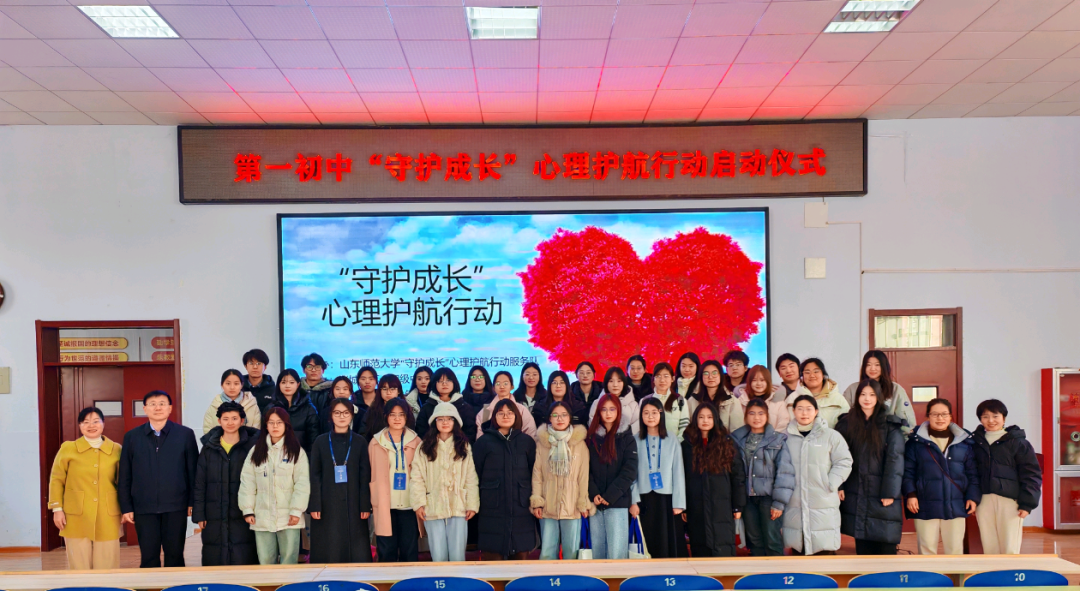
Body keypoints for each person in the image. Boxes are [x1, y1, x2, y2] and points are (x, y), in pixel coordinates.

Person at [118, 391, 198, 568]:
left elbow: (193, 471)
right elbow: (124, 474)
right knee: (148, 556)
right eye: (152, 404)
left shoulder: (185, 434)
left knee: (175, 555)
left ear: (170, 408)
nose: (157, 407)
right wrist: (126, 506)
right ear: (145, 409)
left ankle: (175, 584)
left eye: (162, 403)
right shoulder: (132, 437)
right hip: (143, 506)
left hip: (176, 505)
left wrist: (192, 501)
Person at [834, 379, 905, 555]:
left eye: (872, 395)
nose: (867, 399)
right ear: (857, 397)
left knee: (885, 545)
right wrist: (839, 485)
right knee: (863, 544)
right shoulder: (846, 423)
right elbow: (836, 457)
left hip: (882, 491)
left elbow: (895, 461)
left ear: (879, 397)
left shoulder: (890, 425)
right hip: (855, 489)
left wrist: (890, 492)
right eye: (863, 394)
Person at [48, 407, 123, 570]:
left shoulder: (116, 449)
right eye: (85, 422)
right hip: (75, 514)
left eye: (96, 421)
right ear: (80, 426)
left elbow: (124, 482)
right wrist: (57, 509)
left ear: (103, 424)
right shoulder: (68, 448)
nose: (91, 425)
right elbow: (56, 479)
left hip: (108, 513)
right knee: (79, 565)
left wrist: (127, 508)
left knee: (108, 564)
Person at [904, 398, 980, 555]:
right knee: (926, 548)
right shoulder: (915, 442)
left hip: (956, 502)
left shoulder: (964, 442)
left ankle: (954, 573)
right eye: (935, 414)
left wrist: (972, 497)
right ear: (928, 416)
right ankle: (928, 573)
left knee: (955, 549)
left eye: (944, 414)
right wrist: (911, 494)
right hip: (924, 503)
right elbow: (907, 471)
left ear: (951, 416)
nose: (940, 418)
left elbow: (973, 473)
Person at [239, 407, 310, 565]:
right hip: (262, 516)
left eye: (279, 422)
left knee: (289, 560)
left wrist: (296, 510)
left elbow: (302, 484)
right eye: (271, 423)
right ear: (266, 426)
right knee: (265, 560)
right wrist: (247, 509)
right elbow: (247, 482)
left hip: (289, 516)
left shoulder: (296, 451)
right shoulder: (256, 451)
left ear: (286, 425)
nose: (275, 426)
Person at [783, 395, 852, 556]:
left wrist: (831, 483)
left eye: (808, 409)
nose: (804, 413)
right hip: (794, 501)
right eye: (800, 409)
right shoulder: (784, 437)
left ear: (816, 411)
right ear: (793, 411)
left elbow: (844, 461)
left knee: (825, 554)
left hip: (823, 499)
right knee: (798, 550)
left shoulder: (831, 436)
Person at [411, 402, 480, 562]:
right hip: (432, 506)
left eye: (449, 419)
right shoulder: (424, 446)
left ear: (455, 422)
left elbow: (470, 477)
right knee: (438, 554)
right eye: (440, 419)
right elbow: (417, 477)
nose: (445, 422)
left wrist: (471, 504)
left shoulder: (463, 445)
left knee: (458, 555)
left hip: (458, 505)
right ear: (434, 422)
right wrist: (419, 503)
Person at [193, 401, 259, 566]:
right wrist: (199, 513)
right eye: (226, 419)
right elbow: (200, 483)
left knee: (243, 554)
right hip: (213, 511)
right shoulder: (209, 448)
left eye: (234, 418)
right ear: (219, 421)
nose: (230, 423)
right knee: (215, 556)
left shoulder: (252, 447)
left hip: (243, 510)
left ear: (242, 421)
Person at [972, 398, 1042, 555]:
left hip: (1010, 501)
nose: (991, 420)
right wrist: (972, 498)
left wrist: (1027, 503)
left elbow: (1031, 474)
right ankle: (992, 571)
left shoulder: (1018, 443)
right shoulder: (975, 442)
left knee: (1010, 546)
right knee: (989, 545)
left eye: (995, 416)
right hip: (983, 500)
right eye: (985, 416)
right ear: (980, 419)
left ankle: (1010, 572)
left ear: (1004, 418)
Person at [308, 398, 372, 563]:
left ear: (352, 415)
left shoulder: (360, 442)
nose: (341, 417)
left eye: (345, 413)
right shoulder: (320, 441)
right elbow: (314, 475)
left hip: (354, 502)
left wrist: (365, 504)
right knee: (330, 546)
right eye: (337, 413)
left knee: (356, 549)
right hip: (327, 502)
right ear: (331, 416)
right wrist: (315, 504)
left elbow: (365, 476)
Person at [473, 400, 538, 560]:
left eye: (510, 413)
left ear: (516, 416)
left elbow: (534, 473)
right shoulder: (483, 442)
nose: (505, 416)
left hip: (521, 507)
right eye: (501, 413)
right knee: (493, 562)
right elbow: (476, 474)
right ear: (494, 417)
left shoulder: (526, 441)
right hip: (492, 507)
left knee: (520, 563)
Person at [731, 399, 794, 556]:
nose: (756, 417)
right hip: (747, 499)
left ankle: (777, 571)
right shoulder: (737, 439)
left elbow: (785, 472)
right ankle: (758, 571)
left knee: (772, 540)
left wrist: (779, 503)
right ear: (746, 416)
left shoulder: (777, 440)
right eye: (752, 413)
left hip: (768, 498)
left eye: (761, 413)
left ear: (767, 416)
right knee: (754, 541)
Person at [682, 403, 746, 557]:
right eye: (701, 417)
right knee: (700, 547)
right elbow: (682, 478)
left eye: (709, 417)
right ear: (695, 419)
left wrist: (738, 505)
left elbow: (737, 476)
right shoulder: (687, 446)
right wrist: (683, 507)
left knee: (723, 548)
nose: (705, 421)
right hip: (696, 505)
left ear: (716, 419)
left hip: (722, 506)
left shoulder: (727, 443)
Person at [531, 400, 591, 560]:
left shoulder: (579, 444)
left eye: (564, 415)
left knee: (571, 553)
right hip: (548, 505)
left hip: (572, 506)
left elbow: (583, 476)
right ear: (549, 418)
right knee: (547, 553)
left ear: (570, 418)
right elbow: (537, 475)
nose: (560, 419)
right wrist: (537, 501)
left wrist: (583, 502)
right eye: (555, 415)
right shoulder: (542, 444)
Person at [630, 398, 686, 558]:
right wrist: (633, 501)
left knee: (667, 541)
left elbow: (678, 472)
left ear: (661, 414)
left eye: (654, 412)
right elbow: (631, 473)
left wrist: (679, 503)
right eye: (646, 413)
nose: (650, 416)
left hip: (667, 499)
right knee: (647, 541)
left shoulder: (672, 439)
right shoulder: (634, 440)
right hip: (644, 498)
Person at [369, 398, 422, 562]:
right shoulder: (376, 442)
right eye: (393, 414)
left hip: (409, 504)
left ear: (407, 417)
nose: (397, 418)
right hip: (386, 503)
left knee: (409, 551)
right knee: (386, 551)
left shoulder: (416, 441)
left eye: (401, 414)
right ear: (386, 416)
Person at [586, 394, 638, 559]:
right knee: (598, 554)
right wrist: (594, 493)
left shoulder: (627, 438)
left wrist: (610, 495)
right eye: (604, 409)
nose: (608, 413)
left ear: (619, 411)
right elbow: (585, 469)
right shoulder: (591, 438)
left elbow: (629, 471)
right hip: (595, 503)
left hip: (617, 502)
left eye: (612, 409)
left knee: (616, 555)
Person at [843, 351, 917, 432]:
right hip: (858, 433)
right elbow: (844, 416)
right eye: (868, 365)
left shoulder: (895, 389)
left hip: (888, 435)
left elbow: (906, 422)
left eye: (877, 365)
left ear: (884, 367)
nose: (872, 368)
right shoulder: (852, 389)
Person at [416, 368, 478, 441]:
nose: (444, 384)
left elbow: (470, 432)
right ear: (434, 384)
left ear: (454, 383)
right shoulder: (427, 407)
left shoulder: (465, 407)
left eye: (448, 380)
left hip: (460, 446)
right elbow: (421, 432)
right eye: (440, 381)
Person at [786, 358, 848, 429]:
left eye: (816, 371)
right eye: (807, 372)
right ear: (802, 376)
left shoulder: (838, 399)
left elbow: (847, 425)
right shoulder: (792, 399)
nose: (812, 375)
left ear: (823, 374)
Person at [689, 360, 745, 433]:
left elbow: (737, 431)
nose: (710, 377)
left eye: (714, 373)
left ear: (720, 376)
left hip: (724, 439)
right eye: (706, 373)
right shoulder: (693, 400)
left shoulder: (732, 401)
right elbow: (689, 427)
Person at [272, 368, 321, 454]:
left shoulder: (309, 409)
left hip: (301, 456)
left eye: (291, 382)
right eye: (283, 382)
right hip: (275, 456)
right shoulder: (271, 408)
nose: (287, 386)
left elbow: (313, 440)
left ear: (298, 384)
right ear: (279, 385)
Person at [478, 371, 537, 437]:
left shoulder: (521, 410)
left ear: (512, 387)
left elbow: (531, 435)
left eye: (505, 383)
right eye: (498, 383)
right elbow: (480, 439)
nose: (502, 386)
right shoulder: (485, 412)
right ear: (494, 388)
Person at [639, 362, 689, 440]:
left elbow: (684, 426)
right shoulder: (644, 401)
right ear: (653, 379)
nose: (662, 380)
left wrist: (676, 443)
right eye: (658, 376)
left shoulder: (680, 400)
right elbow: (640, 426)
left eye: (666, 376)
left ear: (672, 379)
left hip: (674, 444)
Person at [204, 369, 262, 435]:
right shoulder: (215, 405)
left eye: (236, 383)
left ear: (242, 385)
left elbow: (256, 430)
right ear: (222, 385)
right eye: (228, 383)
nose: (232, 387)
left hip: (248, 441)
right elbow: (208, 431)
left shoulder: (251, 404)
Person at [735, 365, 790, 431]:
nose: (758, 383)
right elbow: (736, 426)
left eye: (762, 380)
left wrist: (773, 437)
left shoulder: (779, 402)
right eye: (754, 380)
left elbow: (783, 425)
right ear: (749, 382)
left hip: (773, 437)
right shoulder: (740, 401)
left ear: (768, 381)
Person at [588, 367, 640, 435]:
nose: (615, 385)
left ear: (624, 383)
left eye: (619, 381)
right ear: (606, 383)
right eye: (611, 381)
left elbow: (637, 424)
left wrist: (624, 436)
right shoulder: (597, 403)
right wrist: (606, 435)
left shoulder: (633, 405)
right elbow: (592, 422)